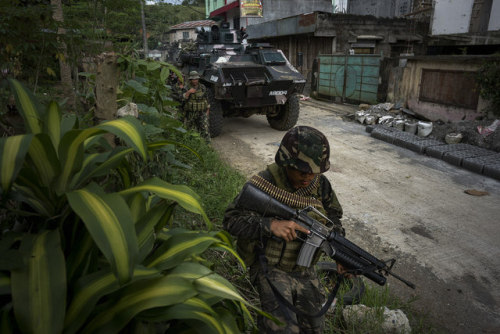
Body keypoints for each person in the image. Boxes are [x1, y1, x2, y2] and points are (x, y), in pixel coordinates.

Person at [223, 125, 348, 333]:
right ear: (286, 162)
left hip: (304, 270)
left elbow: (334, 219)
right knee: (283, 329)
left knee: (314, 329)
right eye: (301, 171)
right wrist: (270, 225)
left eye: (313, 172)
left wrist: (341, 255)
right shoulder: (267, 181)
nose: (308, 177)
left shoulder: (321, 185)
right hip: (271, 267)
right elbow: (230, 220)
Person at [182, 70, 210, 142]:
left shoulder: (202, 87)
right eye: (193, 79)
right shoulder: (186, 87)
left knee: (205, 130)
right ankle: (191, 145)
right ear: (190, 79)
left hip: (201, 112)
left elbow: (206, 99)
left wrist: (207, 110)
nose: (195, 81)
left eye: (196, 79)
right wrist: (188, 92)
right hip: (191, 113)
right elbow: (182, 99)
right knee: (189, 130)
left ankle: (207, 146)